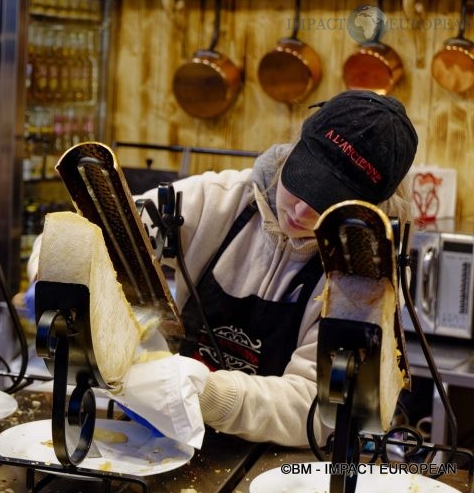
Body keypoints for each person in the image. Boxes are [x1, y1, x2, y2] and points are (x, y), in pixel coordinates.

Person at [25, 89, 418, 447]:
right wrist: (60, 270)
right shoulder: (217, 201)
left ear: (367, 207)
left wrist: (210, 395)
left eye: (326, 204)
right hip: (164, 444)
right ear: (293, 151)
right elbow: (97, 231)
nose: (300, 211)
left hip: (276, 467)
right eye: (302, 183)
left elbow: (320, 412)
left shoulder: (364, 276)